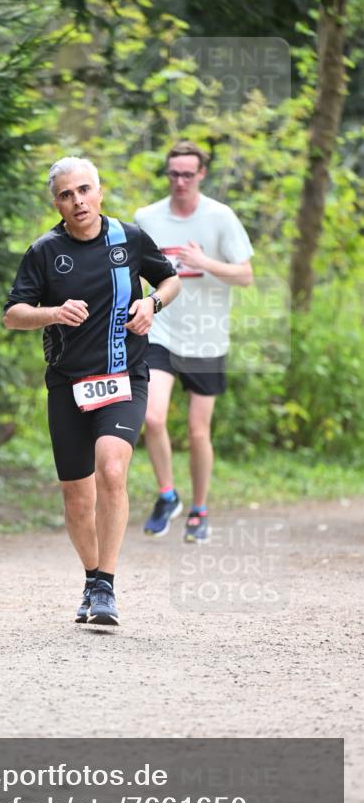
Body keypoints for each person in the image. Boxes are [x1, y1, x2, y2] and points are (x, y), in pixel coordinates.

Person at [3, 157, 180, 625]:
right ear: (56, 203)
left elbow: (171, 278)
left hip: (125, 377)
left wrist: (152, 303)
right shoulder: (44, 251)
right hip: (68, 384)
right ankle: (90, 577)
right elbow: (13, 313)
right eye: (66, 194)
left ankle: (106, 586)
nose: (77, 201)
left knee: (112, 468)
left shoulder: (129, 238)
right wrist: (54, 312)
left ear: (100, 192)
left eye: (84, 190)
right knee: (76, 496)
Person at [134, 140, 254, 543]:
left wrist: (204, 263)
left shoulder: (220, 217)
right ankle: (167, 495)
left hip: (206, 337)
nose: (180, 181)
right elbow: (135, 272)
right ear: (167, 174)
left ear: (201, 174)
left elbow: (246, 275)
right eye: (174, 174)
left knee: (198, 431)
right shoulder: (146, 217)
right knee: (152, 417)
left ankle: (199, 509)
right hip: (160, 331)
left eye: (188, 174)